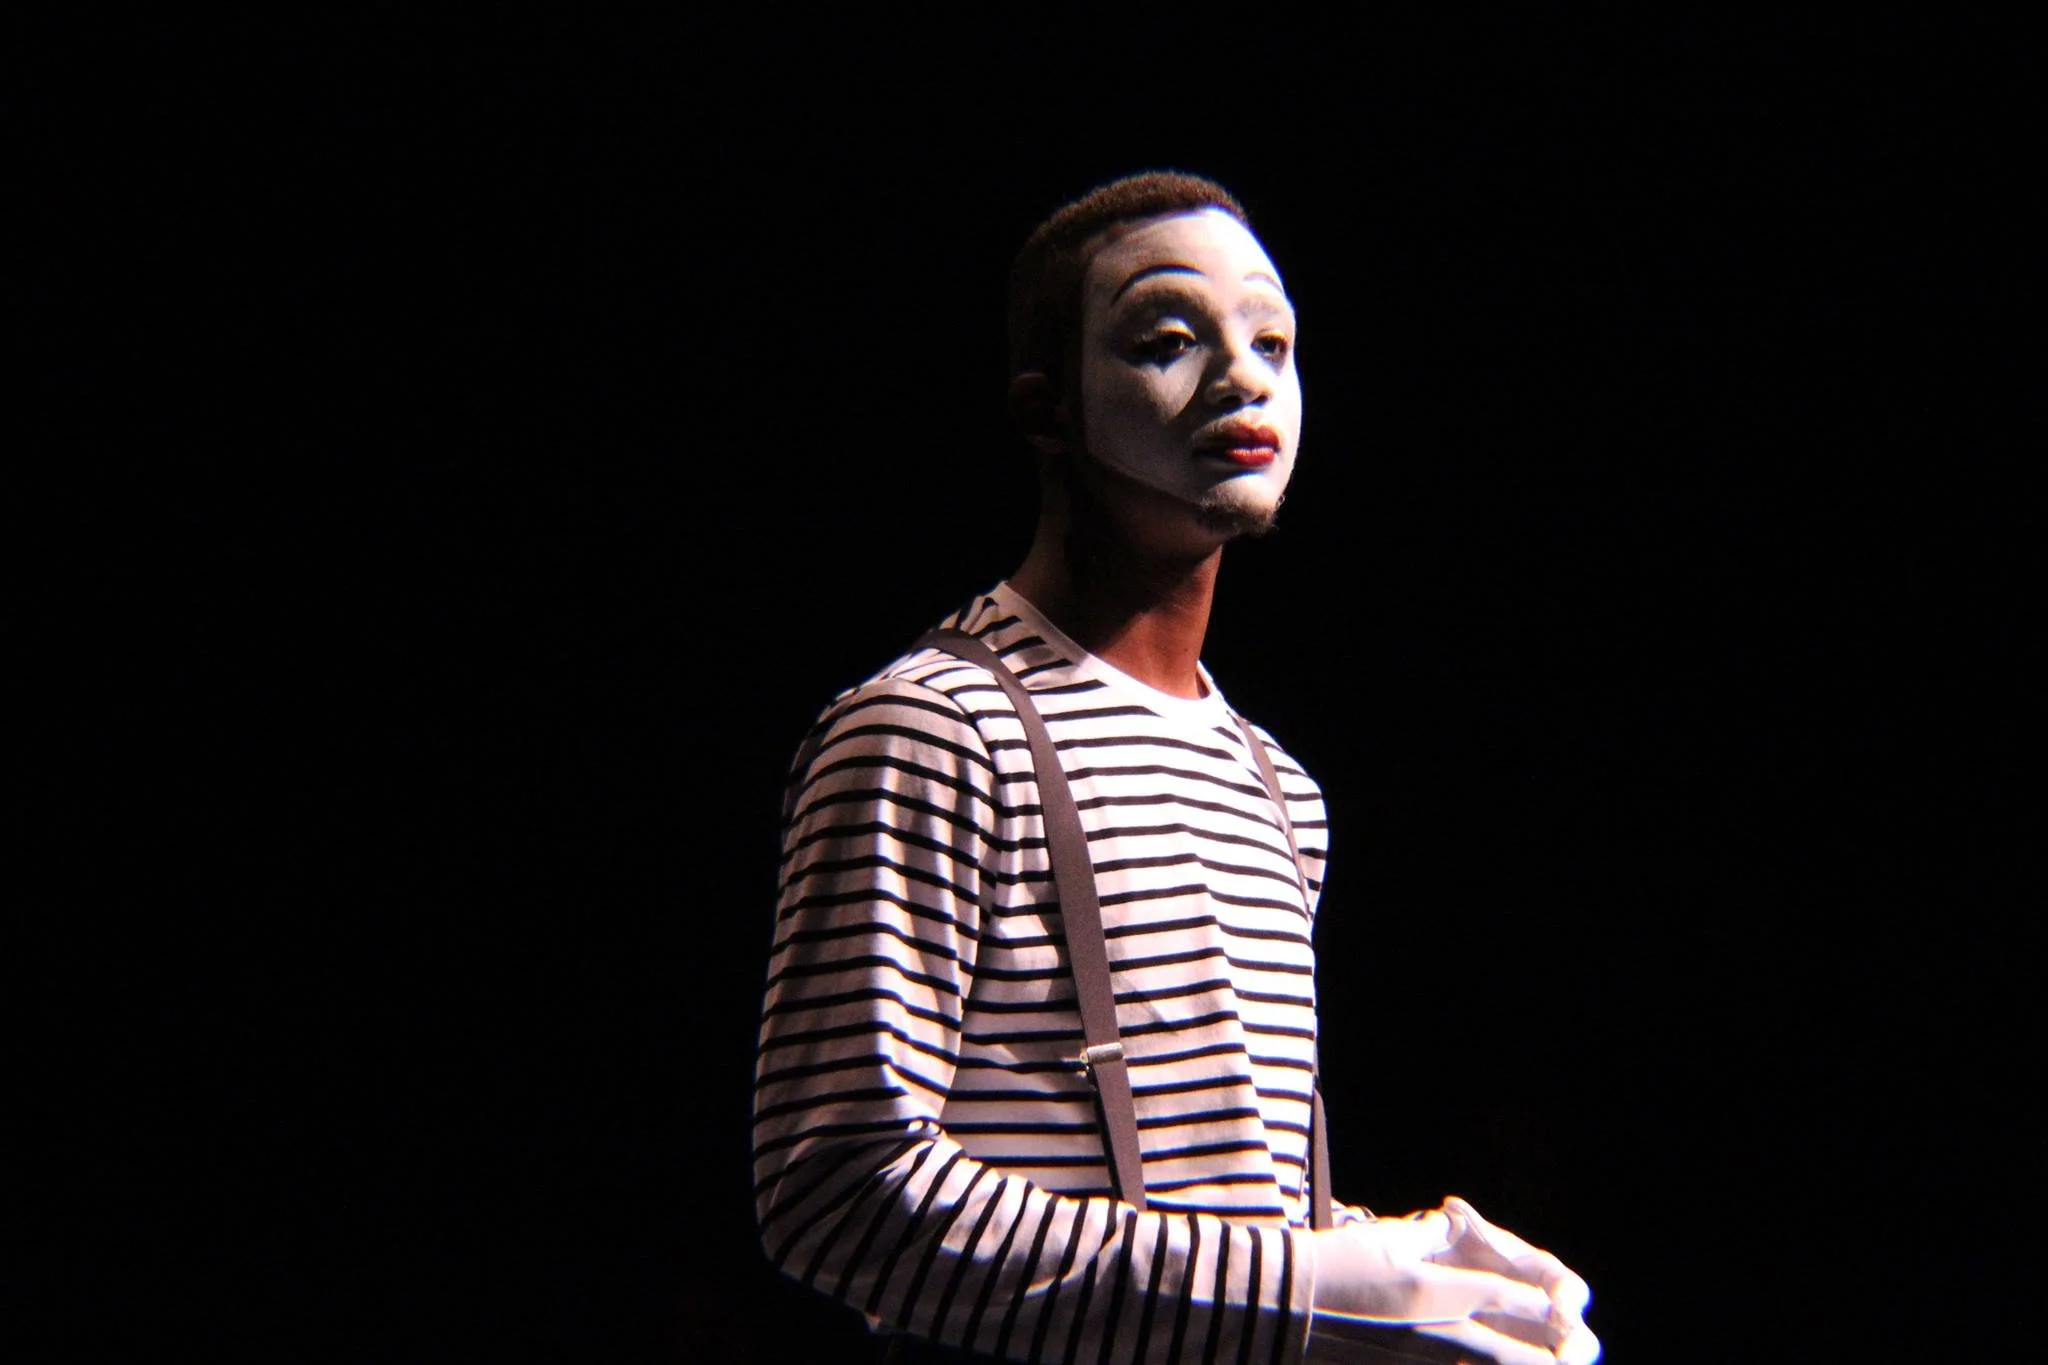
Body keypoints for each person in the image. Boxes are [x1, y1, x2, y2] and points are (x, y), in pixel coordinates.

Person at [752, 171, 1600, 1365]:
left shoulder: (1276, 788)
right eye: (1166, 340)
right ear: (1046, 408)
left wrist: (1412, 1277)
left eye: (1272, 342)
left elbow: (1220, 1202)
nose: (1241, 377)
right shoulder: (931, 733)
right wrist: (1308, 1291)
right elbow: (835, 1193)